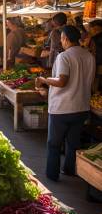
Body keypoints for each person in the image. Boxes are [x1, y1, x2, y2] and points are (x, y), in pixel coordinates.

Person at [35, 25, 95, 182]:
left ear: (66, 39)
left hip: (62, 108)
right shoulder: (89, 56)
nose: (60, 41)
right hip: (81, 106)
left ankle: (52, 175)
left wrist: (43, 80)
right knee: (73, 143)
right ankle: (69, 170)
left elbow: (62, 81)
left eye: (61, 38)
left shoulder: (64, 56)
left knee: (54, 143)